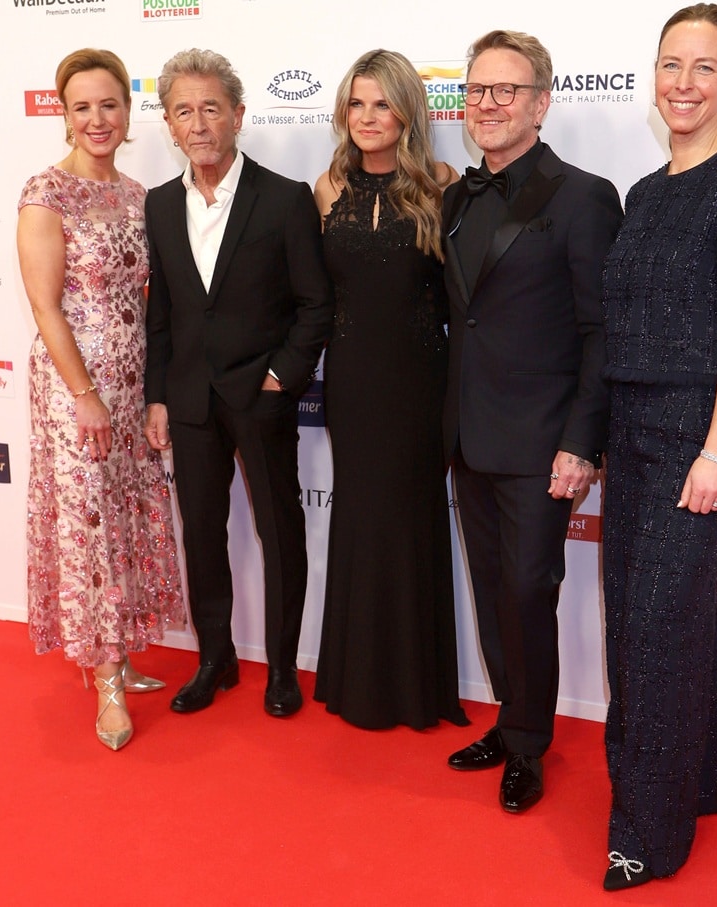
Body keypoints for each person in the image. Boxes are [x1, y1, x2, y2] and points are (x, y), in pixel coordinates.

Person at [600, 4, 717, 890]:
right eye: (672, 64)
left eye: (704, 68)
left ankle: (647, 835)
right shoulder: (644, 191)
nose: (684, 83)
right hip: (629, 430)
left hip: (694, 435)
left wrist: (715, 452)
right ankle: (701, 780)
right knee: (673, 618)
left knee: (654, 636)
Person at [442, 30, 623, 811]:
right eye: (476, 90)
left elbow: (601, 329)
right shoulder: (455, 196)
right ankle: (509, 721)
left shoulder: (583, 195)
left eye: (505, 90)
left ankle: (528, 743)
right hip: (468, 435)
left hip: (543, 440)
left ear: (541, 103)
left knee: (526, 591)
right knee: (490, 590)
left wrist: (583, 441)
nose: (487, 103)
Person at [144, 49, 334, 719]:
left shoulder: (283, 199)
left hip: (262, 396)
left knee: (279, 533)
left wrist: (282, 377)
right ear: (168, 123)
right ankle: (215, 658)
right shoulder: (161, 205)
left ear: (238, 116)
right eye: (184, 111)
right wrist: (158, 394)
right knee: (202, 533)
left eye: (211, 108)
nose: (199, 124)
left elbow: (316, 303)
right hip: (191, 399)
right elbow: (161, 312)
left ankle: (282, 666)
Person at [16, 48, 185, 751]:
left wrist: (148, 393)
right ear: (62, 112)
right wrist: (85, 395)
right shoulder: (44, 193)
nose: (97, 118)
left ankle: (121, 653)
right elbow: (46, 308)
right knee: (89, 529)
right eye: (82, 106)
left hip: (130, 379)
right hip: (74, 387)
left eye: (109, 104)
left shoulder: (137, 193)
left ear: (127, 110)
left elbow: (152, 303)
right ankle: (107, 681)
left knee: (123, 518)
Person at [312, 49, 468, 730]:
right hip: (350, 381)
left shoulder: (443, 184)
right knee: (361, 519)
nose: (367, 117)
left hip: (420, 383)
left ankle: (418, 686)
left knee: (412, 519)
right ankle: (358, 681)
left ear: (408, 110)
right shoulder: (326, 188)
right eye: (356, 103)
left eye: (381, 103)